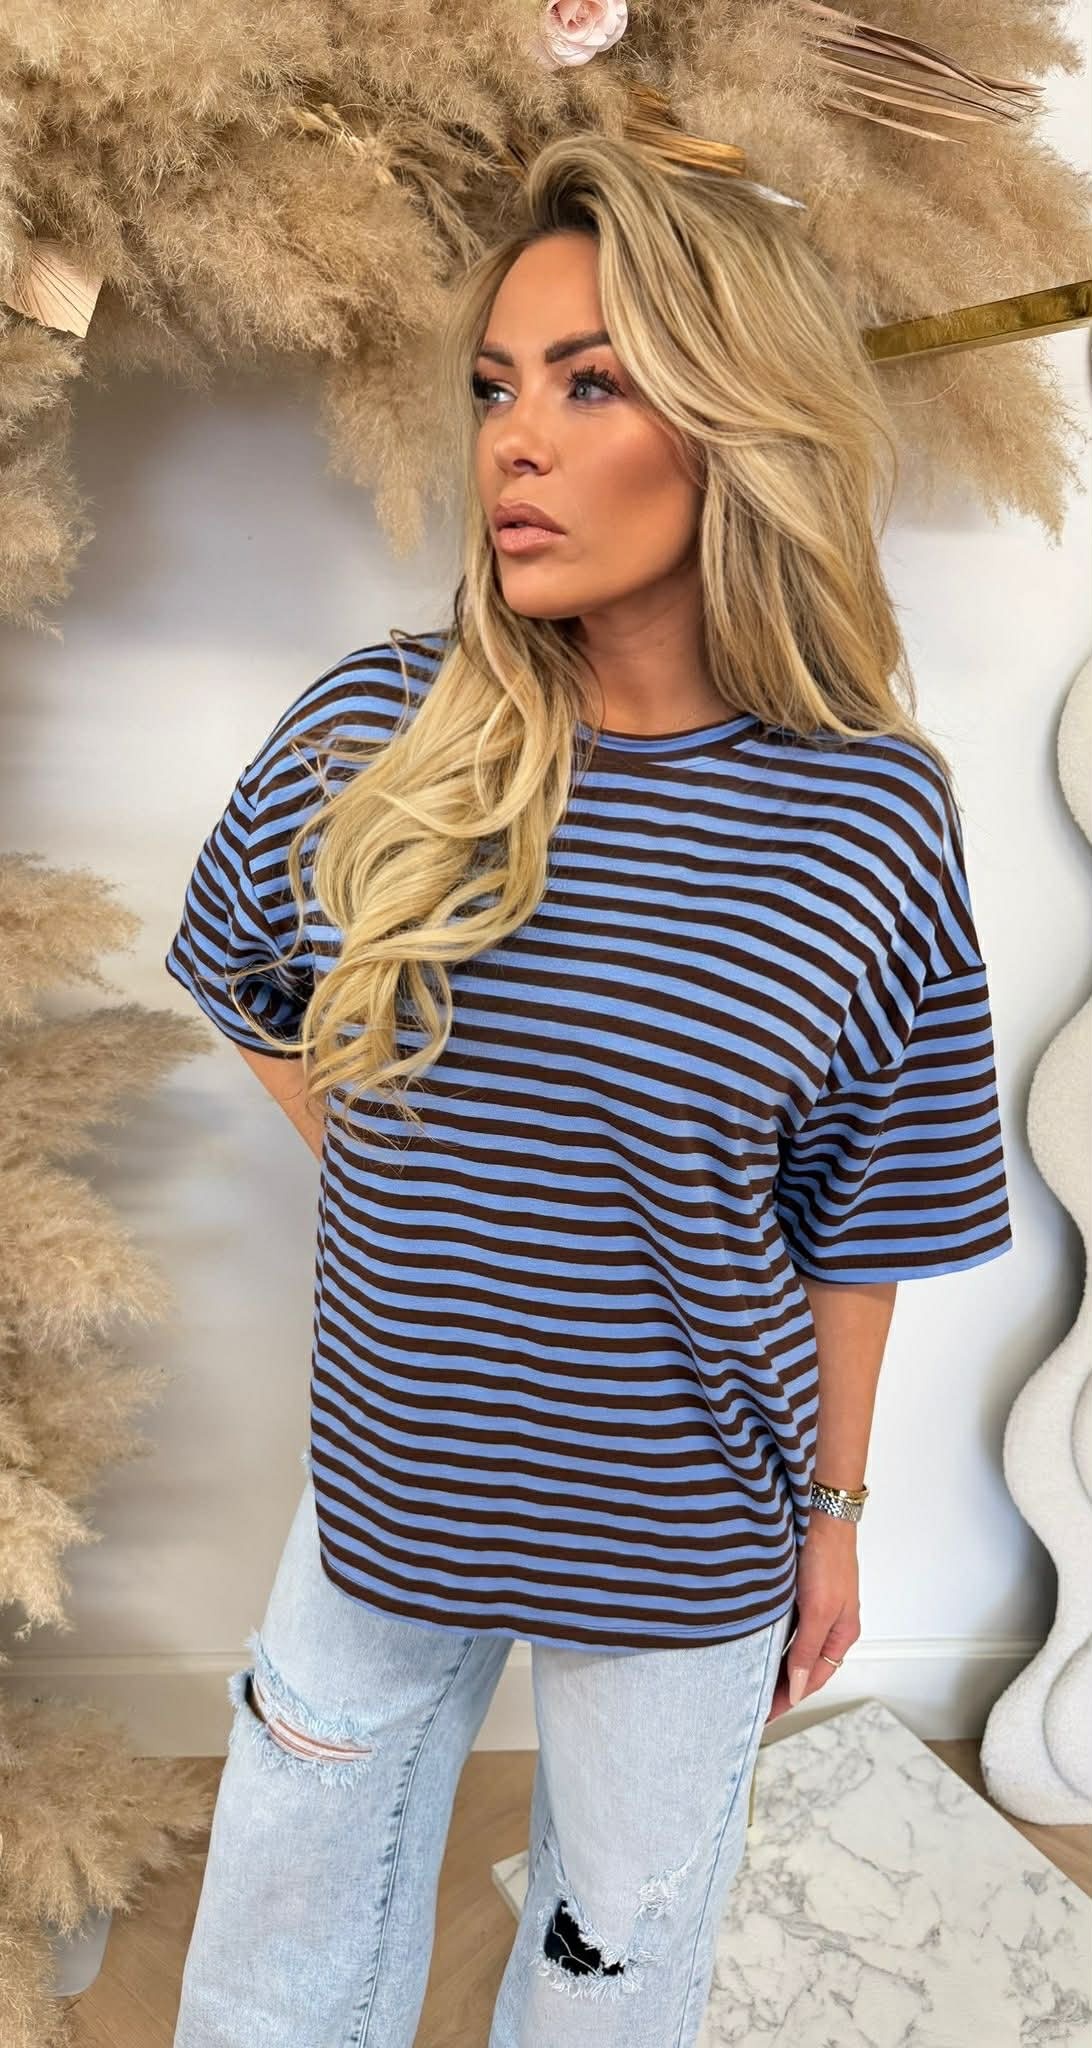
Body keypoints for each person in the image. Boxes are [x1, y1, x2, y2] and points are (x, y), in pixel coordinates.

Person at [165, 131, 1013, 2047]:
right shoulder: (380, 731)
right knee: (278, 1970)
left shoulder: (866, 815)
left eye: (591, 383)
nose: (515, 446)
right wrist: (408, 1167)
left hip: (684, 1512)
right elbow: (243, 972)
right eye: (494, 389)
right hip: (392, 1482)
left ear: (735, 424)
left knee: (610, 1982)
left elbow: (864, 1209)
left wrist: (836, 1511)